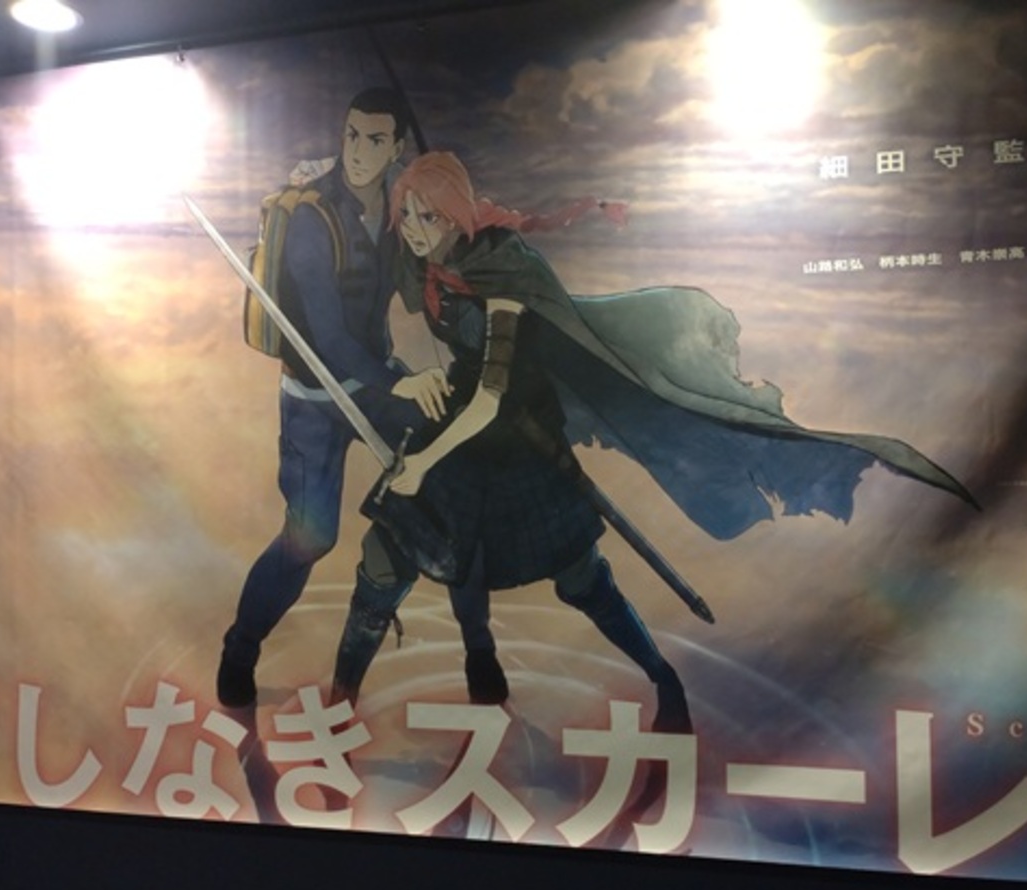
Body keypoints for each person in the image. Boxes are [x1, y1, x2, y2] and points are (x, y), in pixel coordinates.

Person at [327, 150, 977, 732]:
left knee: (581, 577)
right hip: (463, 434)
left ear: (455, 214)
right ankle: (340, 705)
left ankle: (663, 680)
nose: (415, 228)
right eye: (407, 215)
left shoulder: (501, 268)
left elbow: (494, 394)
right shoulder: (431, 266)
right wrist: (423, 384)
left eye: (429, 216)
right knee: (387, 558)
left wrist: (422, 463)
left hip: (521, 440)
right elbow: (455, 360)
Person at [215, 89, 454, 708]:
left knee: (446, 457)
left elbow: (418, 284)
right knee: (310, 537)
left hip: (373, 383)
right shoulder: (311, 216)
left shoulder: (402, 201)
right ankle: (240, 647)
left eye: (375, 140)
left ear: (395, 147)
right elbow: (326, 335)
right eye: (351, 135)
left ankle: (380, 596)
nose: (358, 151)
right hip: (314, 400)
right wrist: (397, 382)